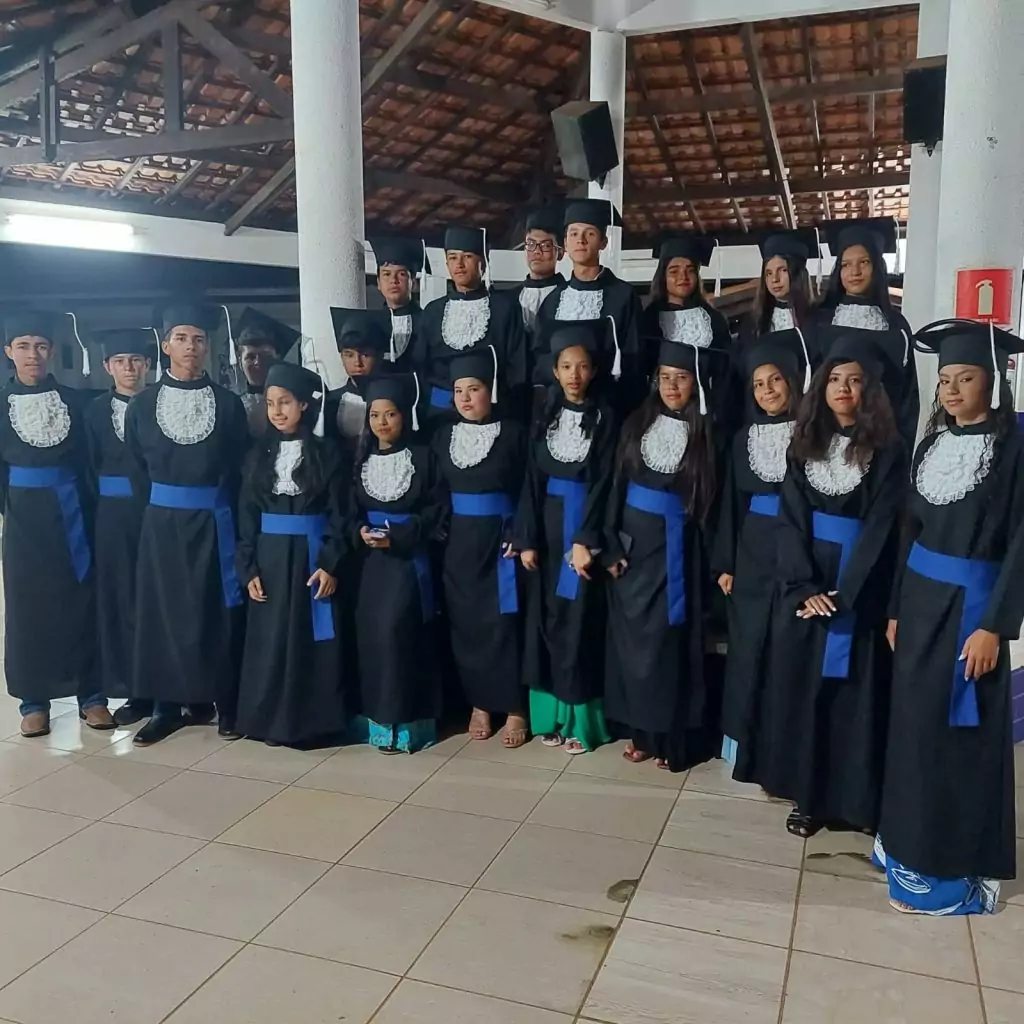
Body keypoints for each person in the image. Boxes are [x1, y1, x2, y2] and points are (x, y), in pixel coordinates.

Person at [874, 320, 1024, 916]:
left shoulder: (1014, 449)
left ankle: (955, 869)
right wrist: (893, 608)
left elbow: (1020, 544)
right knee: (913, 729)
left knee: (959, 738)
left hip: (972, 614)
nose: (952, 389)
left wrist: (995, 625)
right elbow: (908, 531)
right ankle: (908, 845)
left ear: (994, 381)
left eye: (966, 378)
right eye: (945, 379)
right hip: (918, 604)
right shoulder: (931, 443)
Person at [742, 333, 905, 837]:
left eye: (854, 380)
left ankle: (855, 802)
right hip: (805, 582)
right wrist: (805, 585)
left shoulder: (888, 451)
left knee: (853, 695)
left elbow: (883, 528)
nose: (843, 388)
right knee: (803, 691)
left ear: (869, 390)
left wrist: (845, 594)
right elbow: (791, 520)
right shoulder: (804, 441)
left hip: (859, 585)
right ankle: (808, 797)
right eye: (834, 378)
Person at [125, 303, 249, 746]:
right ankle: (165, 708)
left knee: (216, 614)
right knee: (164, 615)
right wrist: (163, 510)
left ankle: (225, 703)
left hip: (216, 522)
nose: (190, 347)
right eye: (181, 338)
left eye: (198, 339)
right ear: (165, 344)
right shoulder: (141, 406)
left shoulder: (229, 405)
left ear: (208, 345)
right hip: (162, 524)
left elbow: (238, 469)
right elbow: (137, 472)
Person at [603, 340, 719, 771]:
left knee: (668, 649)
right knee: (632, 647)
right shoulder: (636, 423)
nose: (672, 386)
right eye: (666, 377)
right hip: (632, 549)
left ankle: (673, 737)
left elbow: (710, 503)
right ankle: (641, 732)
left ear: (696, 383)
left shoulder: (706, 432)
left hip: (676, 552)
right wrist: (609, 544)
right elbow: (614, 486)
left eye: (682, 378)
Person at [1, 311, 109, 737]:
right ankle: (33, 702)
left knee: (82, 603)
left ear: (51, 351)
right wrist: (18, 507)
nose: (33, 355)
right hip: (25, 521)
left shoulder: (76, 403)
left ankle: (92, 696)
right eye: (23, 346)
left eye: (41, 346)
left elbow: (89, 463)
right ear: (9, 352)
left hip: (73, 514)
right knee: (29, 610)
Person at [513, 322, 617, 754]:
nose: (574, 374)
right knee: (548, 624)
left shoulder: (607, 418)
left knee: (579, 627)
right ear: (555, 371)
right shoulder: (545, 415)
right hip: (548, 531)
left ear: (594, 371)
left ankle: (582, 722)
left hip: (580, 533)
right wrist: (527, 538)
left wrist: (586, 539)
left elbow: (605, 483)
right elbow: (532, 481)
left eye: (583, 366)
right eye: (566, 366)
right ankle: (552, 716)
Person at [234, 361, 348, 747]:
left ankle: (310, 724)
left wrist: (330, 563)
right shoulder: (255, 456)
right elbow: (245, 516)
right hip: (269, 556)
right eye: (270, 403)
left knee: (310, 640)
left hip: (311, 559)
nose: (277, 411)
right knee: (270, 638)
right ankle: (266, 720)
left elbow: (341, 515)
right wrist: (247, 567)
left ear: (304, 405)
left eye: (285, 402)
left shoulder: (328, 454)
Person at [712, 331, 807, 768]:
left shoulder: (813, 435)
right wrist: (726, 562)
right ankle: (741, 743)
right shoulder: (741, 439)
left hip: (796, 550)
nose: (767, 391)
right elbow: (731, 502)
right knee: (748, 646)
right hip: (750, 549)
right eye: (758, 384)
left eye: (775, 381)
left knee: (786, 649)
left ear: (793, 381)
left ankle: (780, 749)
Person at [433, 347, 529, 748]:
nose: (466, 398)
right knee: (467, 625)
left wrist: (520, 534)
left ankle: (515, 707)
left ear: (491, 390)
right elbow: (436, 493)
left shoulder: (514, 432)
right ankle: (479, 703)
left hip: (501, 541)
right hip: (459, 543)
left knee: (505, 626)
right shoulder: (442, 436)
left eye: (474, 389)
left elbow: (528, 488)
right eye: (459, 390)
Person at [349, 373, 446, 753]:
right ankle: (378, 722)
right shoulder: (360, 460)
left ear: (405, 415)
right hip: (370, 567)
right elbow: (349, 510)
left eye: (390, 414)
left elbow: (437, 511)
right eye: (375, 415)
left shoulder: (423, 458)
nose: (382, 423)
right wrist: (358, 531)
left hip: (407, 562)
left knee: (399, 635)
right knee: (373, 638)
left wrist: (400, 537)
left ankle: (407, 723)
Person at [85, 328, 155, 726]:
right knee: (122, 601)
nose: (129, 368)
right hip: (112, 517)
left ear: (147, 364)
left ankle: (171, 687)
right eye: (120, 362)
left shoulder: (161, 405)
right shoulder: (93, 412)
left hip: (156, 512)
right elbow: (86, 468)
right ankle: (134, 689)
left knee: (157, 600)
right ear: (107, 367)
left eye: (136, 360)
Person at [817, 219, 918, 449]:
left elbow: (908, 395)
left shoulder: (896, 325)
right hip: (827, 436)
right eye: (846, 265)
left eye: (864, 262)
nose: (855, 272)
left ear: (877, 268)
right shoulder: (820, 321)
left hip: (881, 438)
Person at [536, 200, 643, 411]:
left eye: (590, 234)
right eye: (573, 234)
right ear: (565, 244)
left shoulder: (624, 296)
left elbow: (634, 358)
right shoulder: (553, 301)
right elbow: (541, 356)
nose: (581, 241)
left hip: (610, 406)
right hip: (561, 406)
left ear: (603, 242)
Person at [415, 226, 527, 423]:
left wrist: (490, 403)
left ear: (481, 262)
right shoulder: (433, 311)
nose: (459, 264)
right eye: (452, 257)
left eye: (467, 257)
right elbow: (422, 368)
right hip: (442, 413)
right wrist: (446, 402)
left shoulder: (504, 308)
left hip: (494, 411)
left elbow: (516, 365)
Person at [641, 236, 735, 433]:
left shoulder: (714, 319)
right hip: (659, 407)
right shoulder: (648, 319)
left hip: (704, 409)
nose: (682, 277)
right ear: (662, 276)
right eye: (674, 271)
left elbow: (724, 371)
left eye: (690, 271)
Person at [741, 230, 819, 351]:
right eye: (769, 273)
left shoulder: (817, 318)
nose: (775, 279)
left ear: (798, 273)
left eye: (782, 270)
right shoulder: (753, 321)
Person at [326, 307, 392, 447]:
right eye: (349, 355)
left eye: (365, 355)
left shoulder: (395, 400)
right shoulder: (329, 402)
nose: (357, 362)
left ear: (379, 356)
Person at [234, 307, 300, 438]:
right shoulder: (233, 406)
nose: (258, 363)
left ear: (279, 360)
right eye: (250, 357)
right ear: (240, 362)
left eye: (266, 356)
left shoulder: (295, 403)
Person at [369, 235, 427, 372]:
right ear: (378, 283)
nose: (393, 281)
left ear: (413, 282)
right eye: (386, 274)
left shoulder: (427, 321)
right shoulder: (370, 323)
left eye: (401, 274)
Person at [513, 206, 564, 336]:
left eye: (545, 246)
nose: (536, 251)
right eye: (530, 244)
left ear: (560, 253)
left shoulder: (569, 296)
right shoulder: (510, 299)